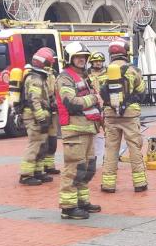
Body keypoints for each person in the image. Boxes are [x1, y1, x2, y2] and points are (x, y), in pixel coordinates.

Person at [55, 41, 102, 219]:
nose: (82, 59)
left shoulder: (83, 77)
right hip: (74, 131)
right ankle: (68, 207)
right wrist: (93, 99)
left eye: (84, 57)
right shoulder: (65, 78)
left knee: (87, 168)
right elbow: (71, 102)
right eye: (78, 57)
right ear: (70, 58)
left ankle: (82, 201)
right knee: (74, 169)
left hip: (88, 129)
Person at [99, 39, 148, 193]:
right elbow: (142, 91)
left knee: (111, 149)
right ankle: (139, 183)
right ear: (126, 52)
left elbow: (100, 92)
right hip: (130, 115)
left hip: (111, 115)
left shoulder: (104, 73)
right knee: (134, 147)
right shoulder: (134, 71)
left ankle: (108, 184)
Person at [19, 47, 55, 186]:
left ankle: (38, 171)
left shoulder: (40, 77)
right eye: (50, 63)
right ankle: (26, 175)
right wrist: (41, 118)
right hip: (34, 117)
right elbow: (34, 101)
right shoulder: (35, 79)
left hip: (40, 116)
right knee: (34, 144)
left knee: (42, 145)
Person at [43, 59, 60, 176]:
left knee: (52, 141)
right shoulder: (40, 76)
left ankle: (49, 165)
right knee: (43, 141)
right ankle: (39, 168)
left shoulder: (52, 74)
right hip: (44, 111)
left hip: (53, 111)